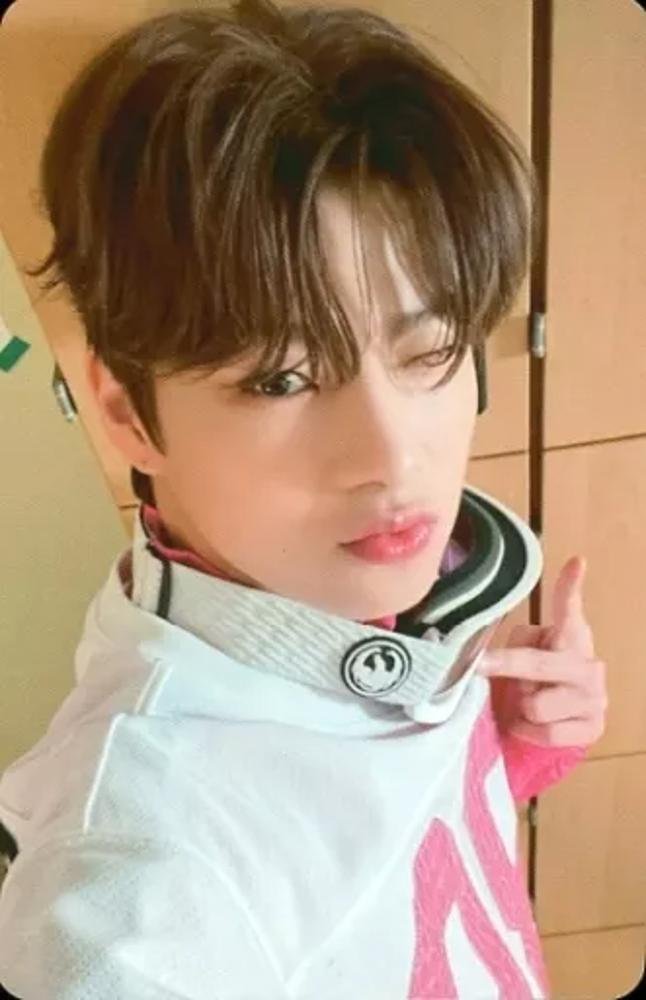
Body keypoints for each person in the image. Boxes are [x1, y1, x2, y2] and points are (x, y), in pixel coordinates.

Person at [0, 1, 595, 995]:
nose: (392, 455)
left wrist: (498, 744)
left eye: (431, 351)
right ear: (126, 412)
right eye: (282, 380)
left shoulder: (379, 601)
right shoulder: (136, 891)